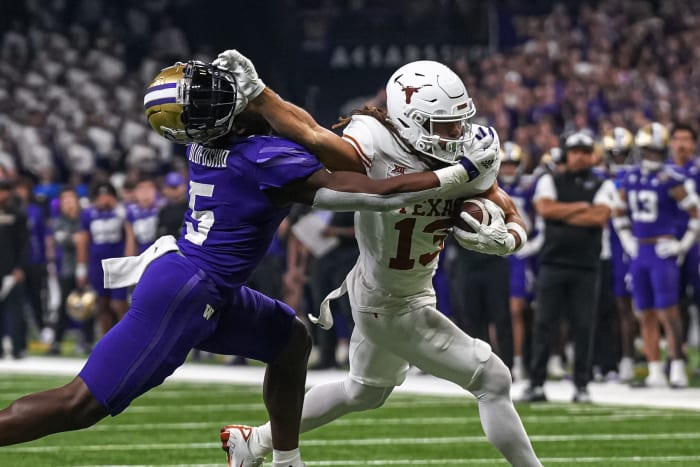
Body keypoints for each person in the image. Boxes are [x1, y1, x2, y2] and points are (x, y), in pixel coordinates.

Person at [0, 61, 493, 467]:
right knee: (79, 404)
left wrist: (259, 93)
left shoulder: (210, 143)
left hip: (207, 285)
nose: (226, 92)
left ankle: (284, 460)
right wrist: (460, 174)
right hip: (186, 293)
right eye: (216, 95)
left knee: (291, 340)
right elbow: (377, 195)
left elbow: (295, 128)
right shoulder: (261, 158)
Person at [214, 50, 541, 467]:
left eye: (461, 120)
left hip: (393, 290)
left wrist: (509, 237)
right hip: (390, 304)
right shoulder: (375, 140)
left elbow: (502, 203)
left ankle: (253, 442)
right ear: (409, 118)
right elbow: (313, 135)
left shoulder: (473, 147)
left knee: (364, 391)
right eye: (444, 124)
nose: (457, 132)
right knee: (492, 379)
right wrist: (260, 95)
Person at [523, 131, 613, 403]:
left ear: (593, 155)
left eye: (586, 151)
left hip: (586, 265)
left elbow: (600, 216)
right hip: (553, 262)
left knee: (584, 325)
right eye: (576, 151)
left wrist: (563, 211)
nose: (581, 156)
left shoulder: (602, 183)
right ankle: (536, 383)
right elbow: (545, 210)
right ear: (567, 153)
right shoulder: (550, 179)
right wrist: (581, 207)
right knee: (544, 324)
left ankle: (582, 385)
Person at [613, 122, 697, 388]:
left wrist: (682, 245)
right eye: (649, 149)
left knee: (668, 311)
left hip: (663, 251)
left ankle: (678, 366)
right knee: (644, 312)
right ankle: (654, 369)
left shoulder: (671, 179)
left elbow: (695, 214)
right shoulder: (630, 177)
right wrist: (627, 241)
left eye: (657, 150)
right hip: (640, 251)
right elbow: (618, 212)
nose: (653, 155)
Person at [74, 181, 129, 336]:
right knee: (102, 303)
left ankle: (126, 340)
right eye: (101, 196)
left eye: (108, 195)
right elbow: (84, 241)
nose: (104, 199)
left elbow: (130, 233)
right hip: (97, 262)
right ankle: (106, 341)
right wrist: (81, 269)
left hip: (118, 262)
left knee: (119, 304)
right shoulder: (88, 214)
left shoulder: (121, 211)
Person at [0, 177, 29, 359]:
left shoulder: (18, 214)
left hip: (11, 271)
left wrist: (19, 268)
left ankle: (18, 347)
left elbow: (24, 244)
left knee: (15, 310)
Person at [156, 171, 188, 238]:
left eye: (176, 187)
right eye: (171, 187)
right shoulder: (163, 212)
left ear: (184, 187)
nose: (174, 191)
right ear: (165, 190)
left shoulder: (191, 208)